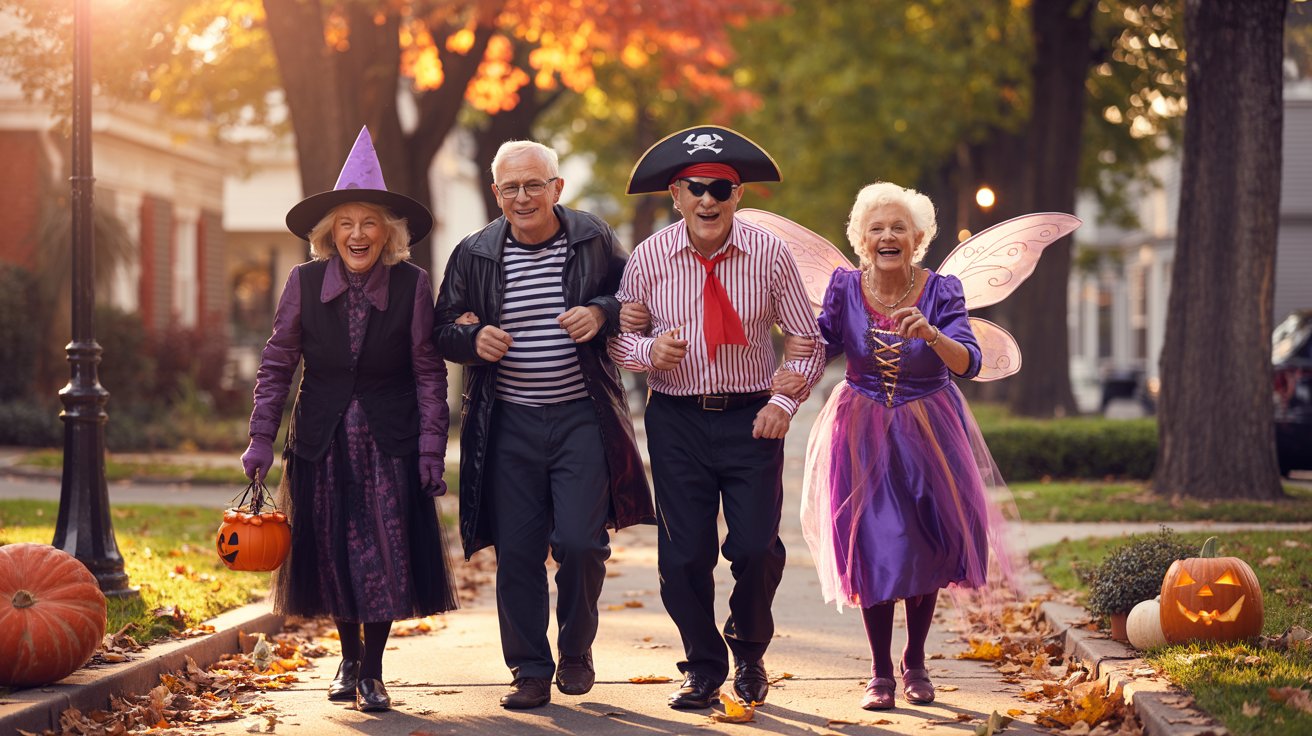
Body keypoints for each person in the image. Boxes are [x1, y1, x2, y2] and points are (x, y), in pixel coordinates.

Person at [240, 128, 457, 713]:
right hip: (322, 440)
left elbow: (428, 371)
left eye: (369, 223)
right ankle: (348, 658)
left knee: (384, 551)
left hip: (390, 441)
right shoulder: (304, 283)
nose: (357, 234)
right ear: (328, 233)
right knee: (334, 552)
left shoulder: (412, 285)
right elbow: (278, 361)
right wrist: (261, 438)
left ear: (388, 232)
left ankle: (374, 673)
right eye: (345, 223)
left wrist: (432, 447)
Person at [609, 125, 825, 710]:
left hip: (751, 417)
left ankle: (749, 653)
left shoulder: (769, 254)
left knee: (756, 548)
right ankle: (702, 665)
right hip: (676, 418)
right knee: (683, 555)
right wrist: (649, 352)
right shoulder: (649, 258)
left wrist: (784, 402)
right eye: (695, 188)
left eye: (721, 189)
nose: (709, 200)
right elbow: (620, 341)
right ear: (675, 195)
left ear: (739, 197)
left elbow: (808, 341)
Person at [433, 140, 653, 710]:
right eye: (511, 187)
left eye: (535, 185)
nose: (524, 196)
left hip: (583, 415)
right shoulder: (474, 253)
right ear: (496, 194)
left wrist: (601, 311)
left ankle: (576, 651)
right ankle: (529, 668)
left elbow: (634, 296)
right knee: (520, 551)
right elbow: (441, 328)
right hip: (507, 423)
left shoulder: (592, 237)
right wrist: (472, 339)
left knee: (580, 543)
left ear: (557, 188)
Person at [784, 181, 1012, 710]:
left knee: (926, 544)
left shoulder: (942, 290)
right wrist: (784, 381)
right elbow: (820, 347)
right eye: (877, 229)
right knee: (870, 544)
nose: (887, 235)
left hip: (930, 426)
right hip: (861, 427)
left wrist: (932, 335)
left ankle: (914, 660)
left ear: (918, 238)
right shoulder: (844, 288)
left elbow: (970, 364)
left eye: (898, 228)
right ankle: (880, 671)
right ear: (862, 240)